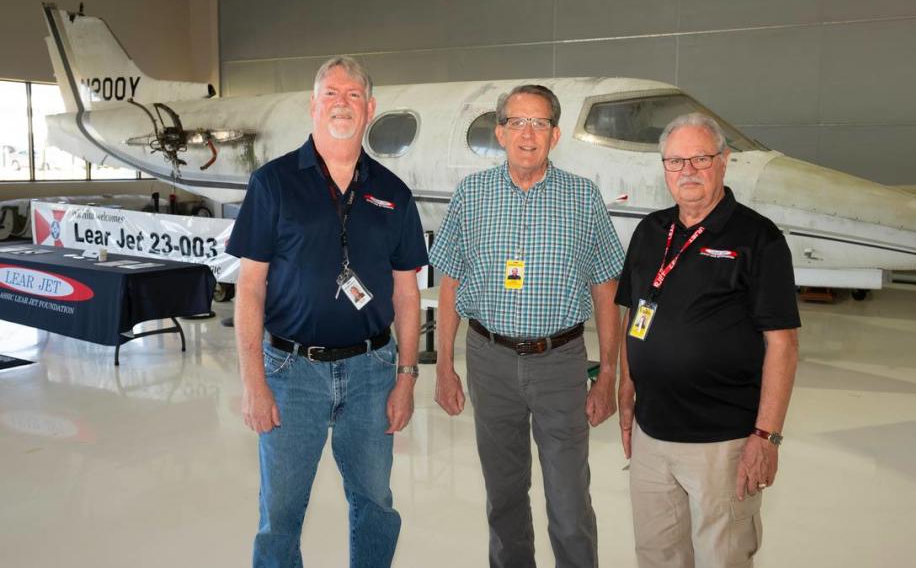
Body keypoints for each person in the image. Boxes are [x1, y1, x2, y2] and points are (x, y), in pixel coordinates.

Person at [228, 56, 428, 568]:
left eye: (354, 94)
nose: (343, 102)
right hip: (291, 373)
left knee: (375, 504)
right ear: (313, 105)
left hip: (372, 373)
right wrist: (254, 381)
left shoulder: (393, 193)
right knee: (280, 512)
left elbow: (407, 293)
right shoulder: (272, 184)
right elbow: (250, 288)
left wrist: (406, 377)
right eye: (332, 93)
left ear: (370, 108)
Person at [430, 84, 625, 568]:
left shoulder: (583, 198)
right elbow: (450, 282)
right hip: (488, 362)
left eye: (539, 123)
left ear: (555, 135)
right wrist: (443, 366)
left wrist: (607, 376)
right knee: (504, 496)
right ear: (500, 132)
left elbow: (607, 290)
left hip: (561, 364)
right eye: (517, 122)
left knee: (568, 502)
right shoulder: (472, 195)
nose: (528, 134)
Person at [616, 112, 800, 567]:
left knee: (723, 557)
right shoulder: (649, 232)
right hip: (652, 435)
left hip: (723, 442)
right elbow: (633, 312)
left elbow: (783, 344)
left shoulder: (759, 238)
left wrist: (767, 436)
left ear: (724, 161)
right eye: (675, 162)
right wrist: (625, 383)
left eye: (700, 158)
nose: (688, 171)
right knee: (657, 555)